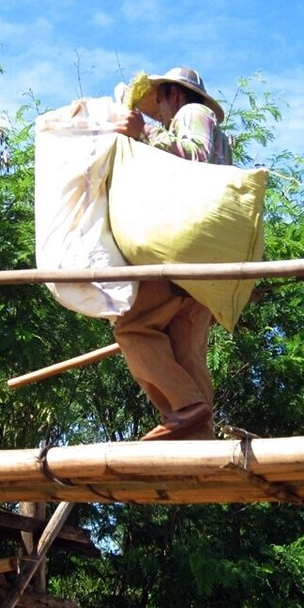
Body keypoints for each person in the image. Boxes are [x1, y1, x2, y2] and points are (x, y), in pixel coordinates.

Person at [112, 67, 232, 441]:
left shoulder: (192, 114)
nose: (159, 113)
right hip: (208, 258)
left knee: (133, 327)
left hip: (182, 247)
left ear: (174, 95)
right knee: (185, 349)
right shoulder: (214, 132)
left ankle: (184, 406)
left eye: (159, 103)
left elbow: (193, 157)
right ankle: (199, 439)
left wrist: (143, 132)